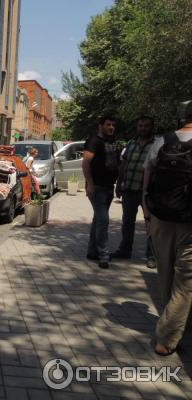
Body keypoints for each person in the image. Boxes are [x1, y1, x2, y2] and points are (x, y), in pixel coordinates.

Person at [143, 101, 192, 356]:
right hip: (189, 224)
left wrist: (147, 215)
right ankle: (167, 339)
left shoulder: (162, 141)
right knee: (185, 284)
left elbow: (147, 179)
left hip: (161, 218)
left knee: (165, 276)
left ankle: (172, 327)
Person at [112, 116, 156, 268]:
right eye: (140, 126)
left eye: (146, 126)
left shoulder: (157, 144)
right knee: (127, 223)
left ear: (151, 127)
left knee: (150, 224)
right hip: (129, 189)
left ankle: (152, 256)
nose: (143, 128)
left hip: (148, 193)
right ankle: (125, 250)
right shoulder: (130, 144)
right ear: (137, 127)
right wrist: (118, 184)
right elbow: (123, 165)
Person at [83, 116, 120, 269]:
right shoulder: (94, 141)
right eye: (108, 124)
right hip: (97, 187)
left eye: (113, 125)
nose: (111, 127)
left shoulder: (111, 142)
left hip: (108, 186)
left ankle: (92, 251)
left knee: (98, 219)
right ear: (100, 126)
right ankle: (103, 256)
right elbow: (85, 163)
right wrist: (90, 184)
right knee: (103, 221)